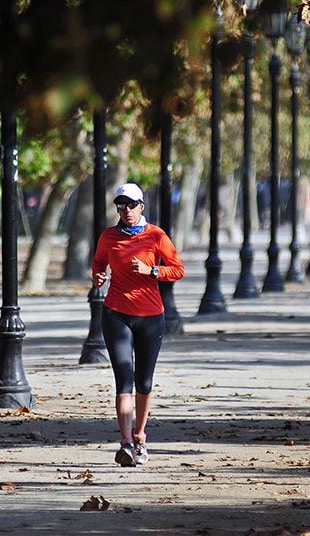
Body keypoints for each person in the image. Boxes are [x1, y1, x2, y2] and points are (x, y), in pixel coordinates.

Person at [91, 183, 186, 467]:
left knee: (144, 382)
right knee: (124, 380)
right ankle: (125, 443)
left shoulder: (156, 235)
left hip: (150, 317)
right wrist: (97, 277)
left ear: (141, 206)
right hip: (116, 314)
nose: (127, 211)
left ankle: (140, 437)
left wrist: (152, 270)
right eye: (121, 206)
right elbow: (98, 263)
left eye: (131, 205)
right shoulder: (108, 237)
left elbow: (178, 269)